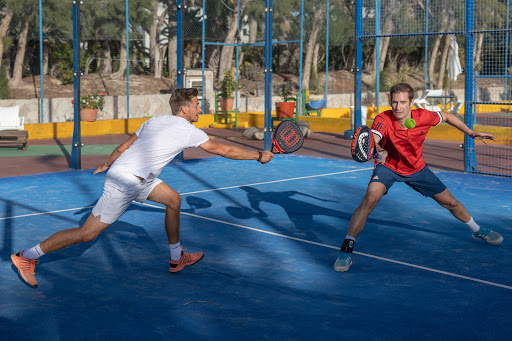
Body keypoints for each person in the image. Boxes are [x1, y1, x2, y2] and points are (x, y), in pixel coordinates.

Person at [11, 88, 274, 288]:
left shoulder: (154, 120)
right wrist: (258, 156)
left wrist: (108, 163)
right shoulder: (187, 129)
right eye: (196, 105)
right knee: (87, 234)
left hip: (137, 178)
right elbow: (223, 149)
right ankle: (27, 256)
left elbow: (123, 147)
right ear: (183, 109)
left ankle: (176, 257)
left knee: (173, 199)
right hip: (127, 181)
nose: (198, 108)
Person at [333, 83, 503, 272]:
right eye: (394, 102)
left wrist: (470, 133)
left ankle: (477, 230)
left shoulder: (423, 116)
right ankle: (346, 250)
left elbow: (446, 116)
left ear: (411, 102)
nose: (397, 107)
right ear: (390, 101)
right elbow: (375, 138)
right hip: (388, 167)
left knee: (451, 203)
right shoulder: (383, 118)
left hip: (416, 169)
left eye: (403, 102)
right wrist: (379, 150)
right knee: (369, 200)